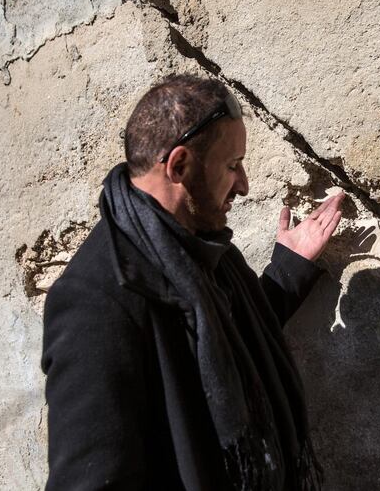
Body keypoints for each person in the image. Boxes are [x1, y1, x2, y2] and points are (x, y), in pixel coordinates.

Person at [41, 74, 344, 490]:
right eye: (233, 165)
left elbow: (220, 347)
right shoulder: (96, 301)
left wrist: (288, 271)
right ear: (179, 165)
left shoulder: (201, 245)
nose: (244, 184)